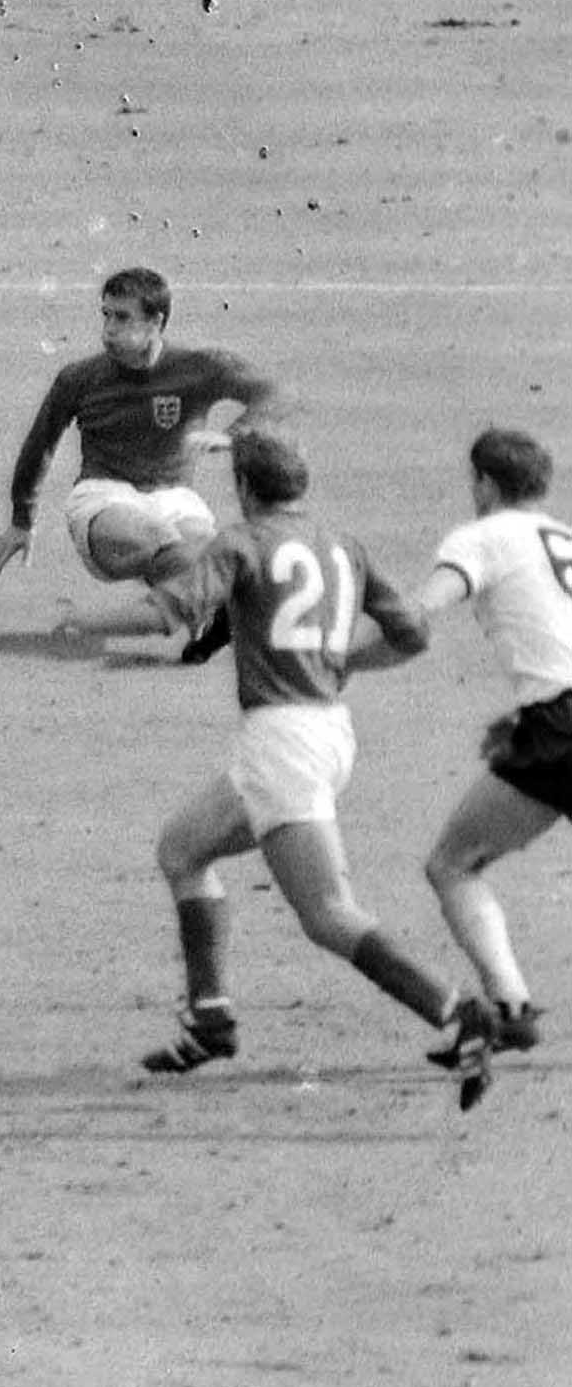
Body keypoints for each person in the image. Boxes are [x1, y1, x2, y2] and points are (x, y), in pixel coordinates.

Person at [133, 431, 468, 1096]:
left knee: (326, 913)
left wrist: (77, 625)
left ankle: (458, 1014)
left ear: (244, 488)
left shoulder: (241, 540)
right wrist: (344, 660)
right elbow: (411, 634)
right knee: (180, 849)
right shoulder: (343, 545)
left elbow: (172, 610)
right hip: (326, 732)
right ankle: (211, 1019)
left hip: (280, 743)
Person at [406, 428, 571, 1100]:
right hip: (553, 719)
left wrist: (334, 655)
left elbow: (422, 610)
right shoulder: (563, 537)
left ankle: (507, 1007)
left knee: (451, 864)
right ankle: (507, 1010)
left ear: (483, 484)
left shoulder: (481, 536)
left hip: (558, 728)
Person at [0, 266, 277, 645]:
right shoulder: (79, 378)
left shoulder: (198, 367)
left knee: (199, 552)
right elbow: (40, 445)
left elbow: (273, 396)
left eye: (122, 317)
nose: (109, 328)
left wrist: (234, 436)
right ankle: (204, 610)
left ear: (156, 321)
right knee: (167, 546)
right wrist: (21, 522)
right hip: (103, 496)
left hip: (176, 498)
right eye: (105, 315)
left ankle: (198, 616)